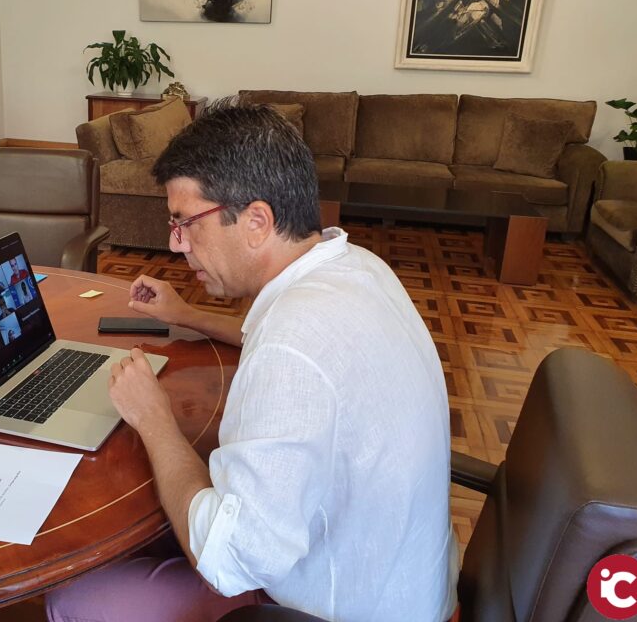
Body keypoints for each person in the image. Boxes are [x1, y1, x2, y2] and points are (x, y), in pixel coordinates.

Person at [47, 105, 456, 622]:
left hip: (337, 606)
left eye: (185, 222)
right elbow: (291, 348)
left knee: (72, 602)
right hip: (405, 578)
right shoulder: (355, 266)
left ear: (257, 221)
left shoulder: (292, 346)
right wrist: (189, 316)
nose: (175, 244)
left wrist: (154, 420)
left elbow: (228, 560)